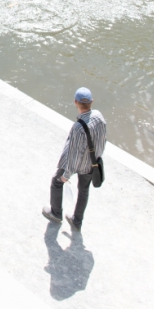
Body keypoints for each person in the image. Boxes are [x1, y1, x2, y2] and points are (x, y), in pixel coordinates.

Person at [42, 87, 106, 230]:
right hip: (91, 164)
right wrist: (95, 159)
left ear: (75, 102)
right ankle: (77, 221)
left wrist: (66, 175)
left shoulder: (78, 128)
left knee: (56, 182)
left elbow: (74, 155)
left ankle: (56, 213)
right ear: (92, 102)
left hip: (77, 164)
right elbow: (102, 142)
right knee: (84, 190)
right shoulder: (100, 117)